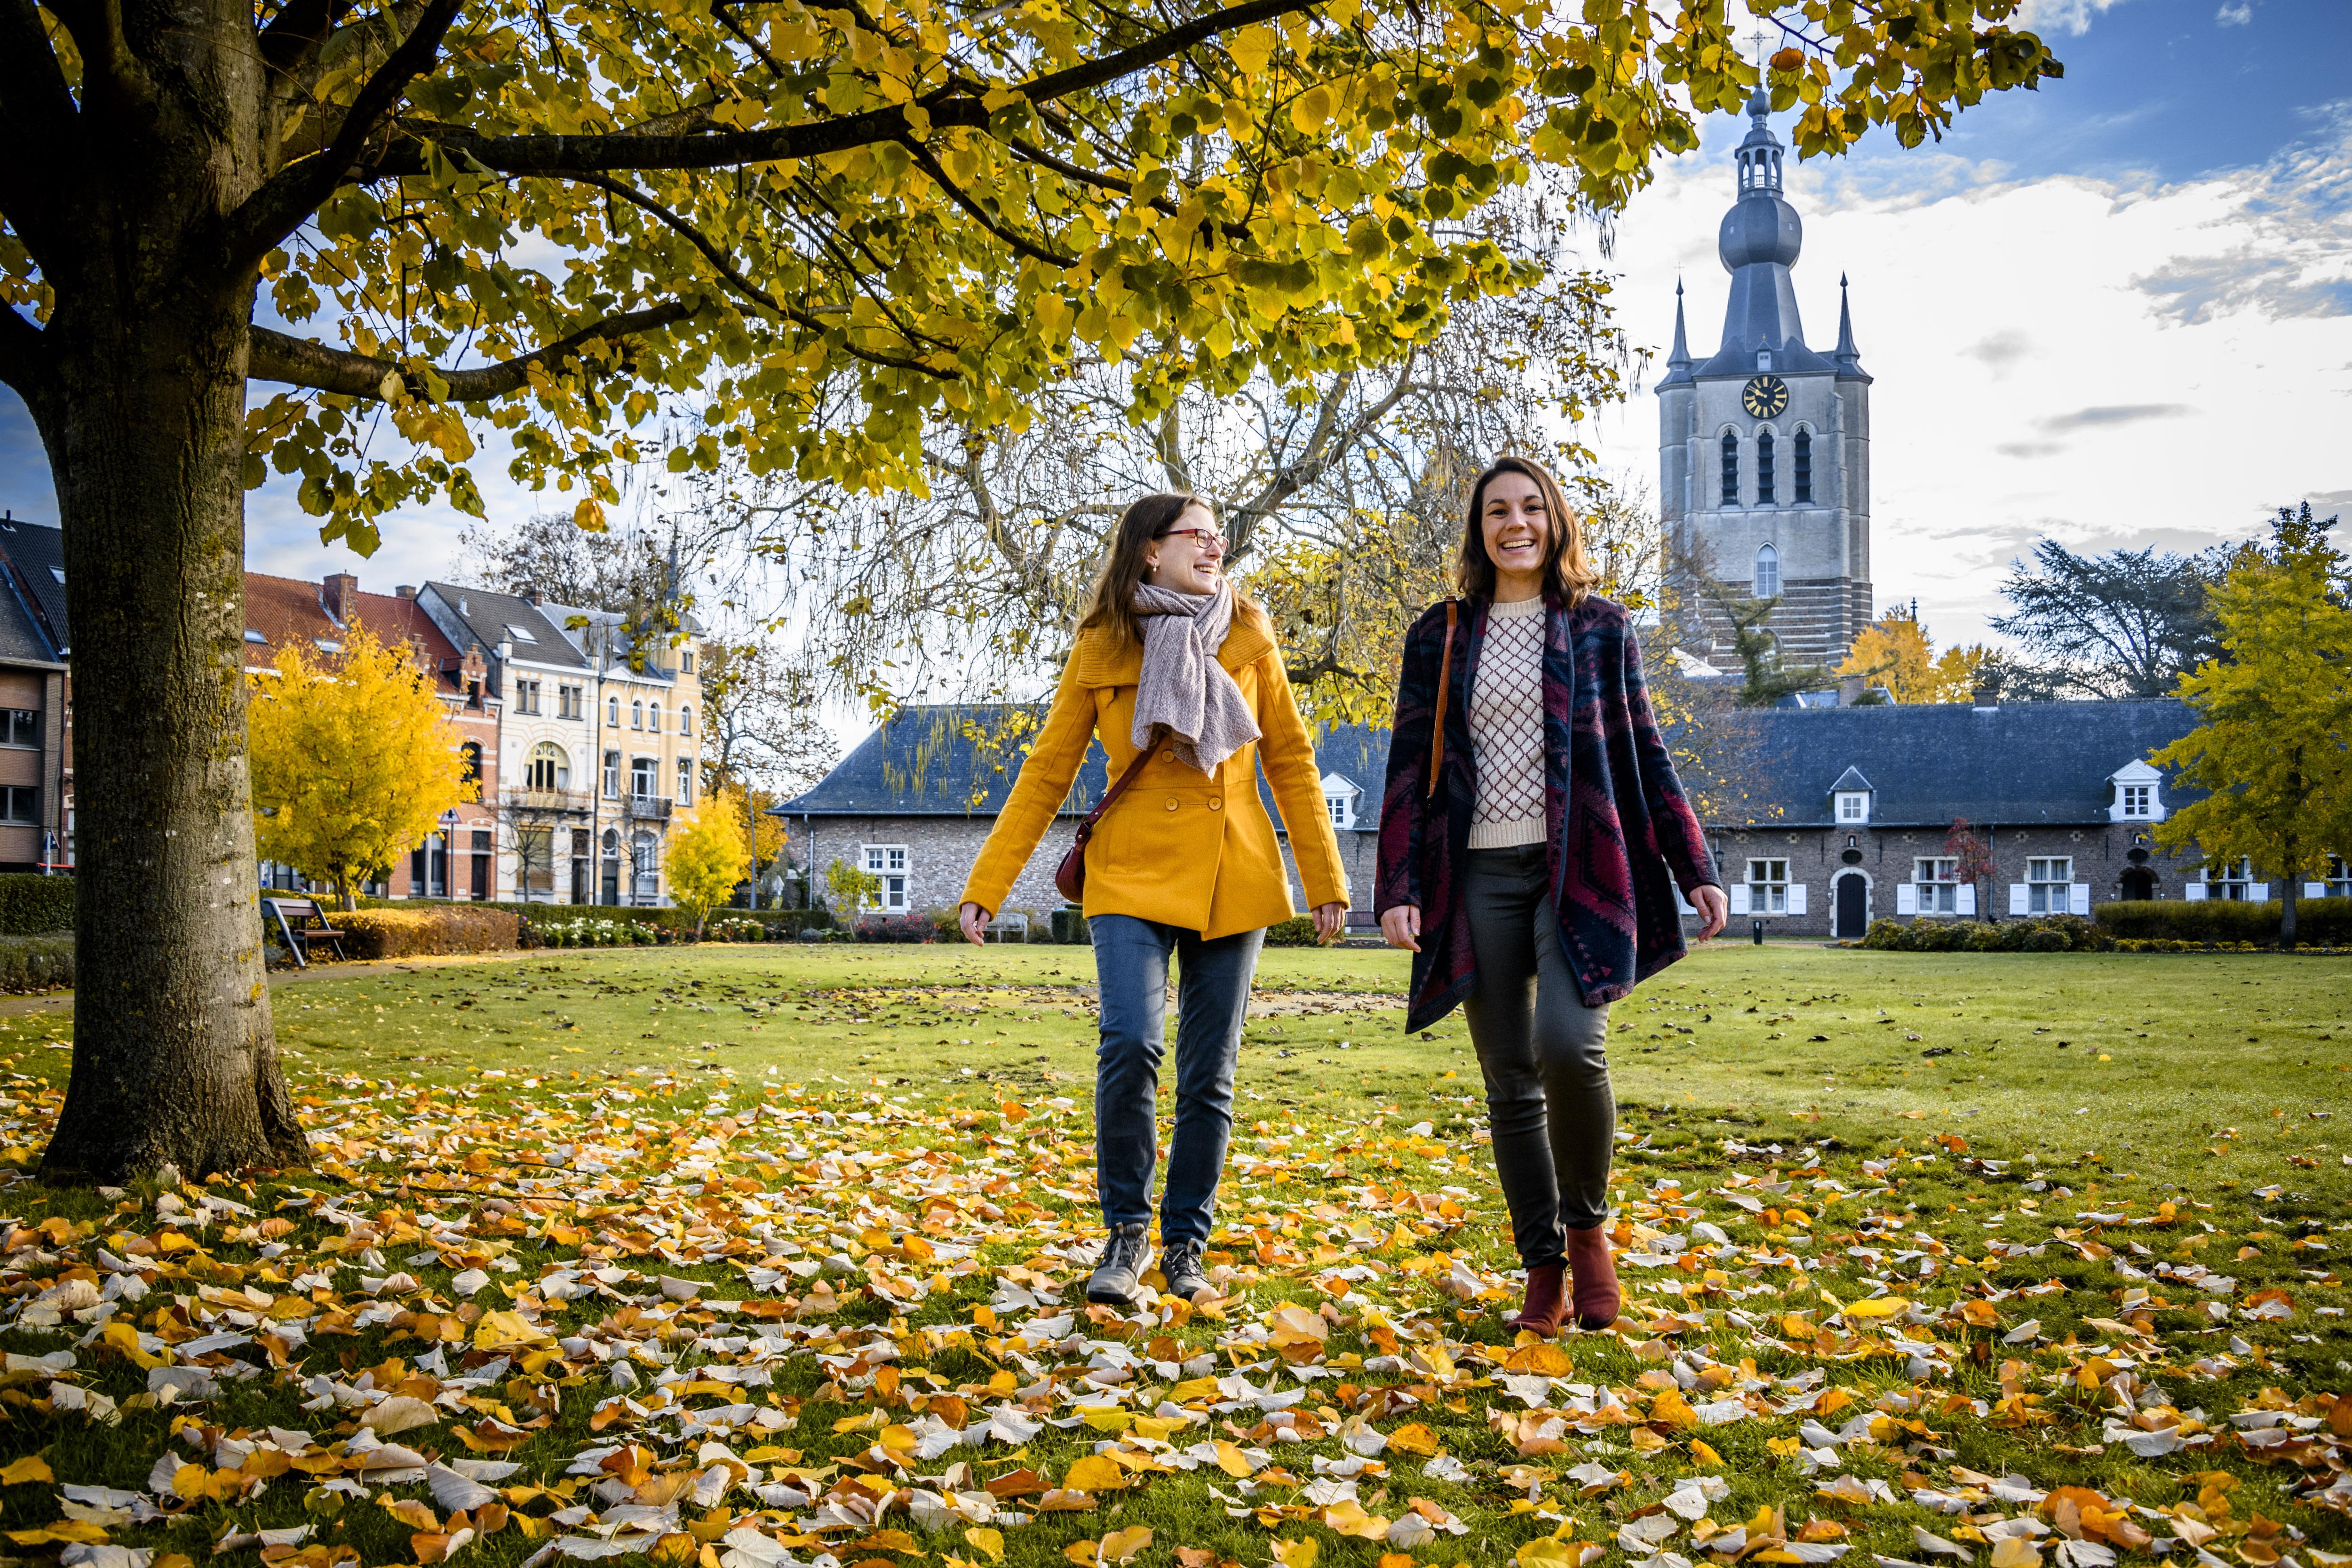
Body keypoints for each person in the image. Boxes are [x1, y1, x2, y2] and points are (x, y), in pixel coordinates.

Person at [958, 493, 1350, 1307]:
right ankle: (1126, 1232)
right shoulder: (1103, 644)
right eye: (1197, 535)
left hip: (1232, 870)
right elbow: (1047, 770)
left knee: (1210, 1072)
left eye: (1220, 537)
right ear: (1148, 551)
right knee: (1131, 1042)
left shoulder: (1249, 633)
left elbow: (1292, 759)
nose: (1216, 547)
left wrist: (1325, 878)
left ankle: (1186, 1245)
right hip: (1129, 867)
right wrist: (987, 886)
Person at [1376, 457, 1729, 1337]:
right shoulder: (1441, 635)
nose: (1515, 523)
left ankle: (1587, 1230)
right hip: (1478, 877)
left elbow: (1647, 754)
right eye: (1497, 510)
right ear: (1479, 530)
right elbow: (1407, 768)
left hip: (1580, 870)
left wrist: (1697, 866)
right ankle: (1542, 1266)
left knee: (1570, 1046)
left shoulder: (1603, 630)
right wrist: (1397, 886)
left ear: (1556, 520)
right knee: (1509, 1078)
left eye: (1531, 507)